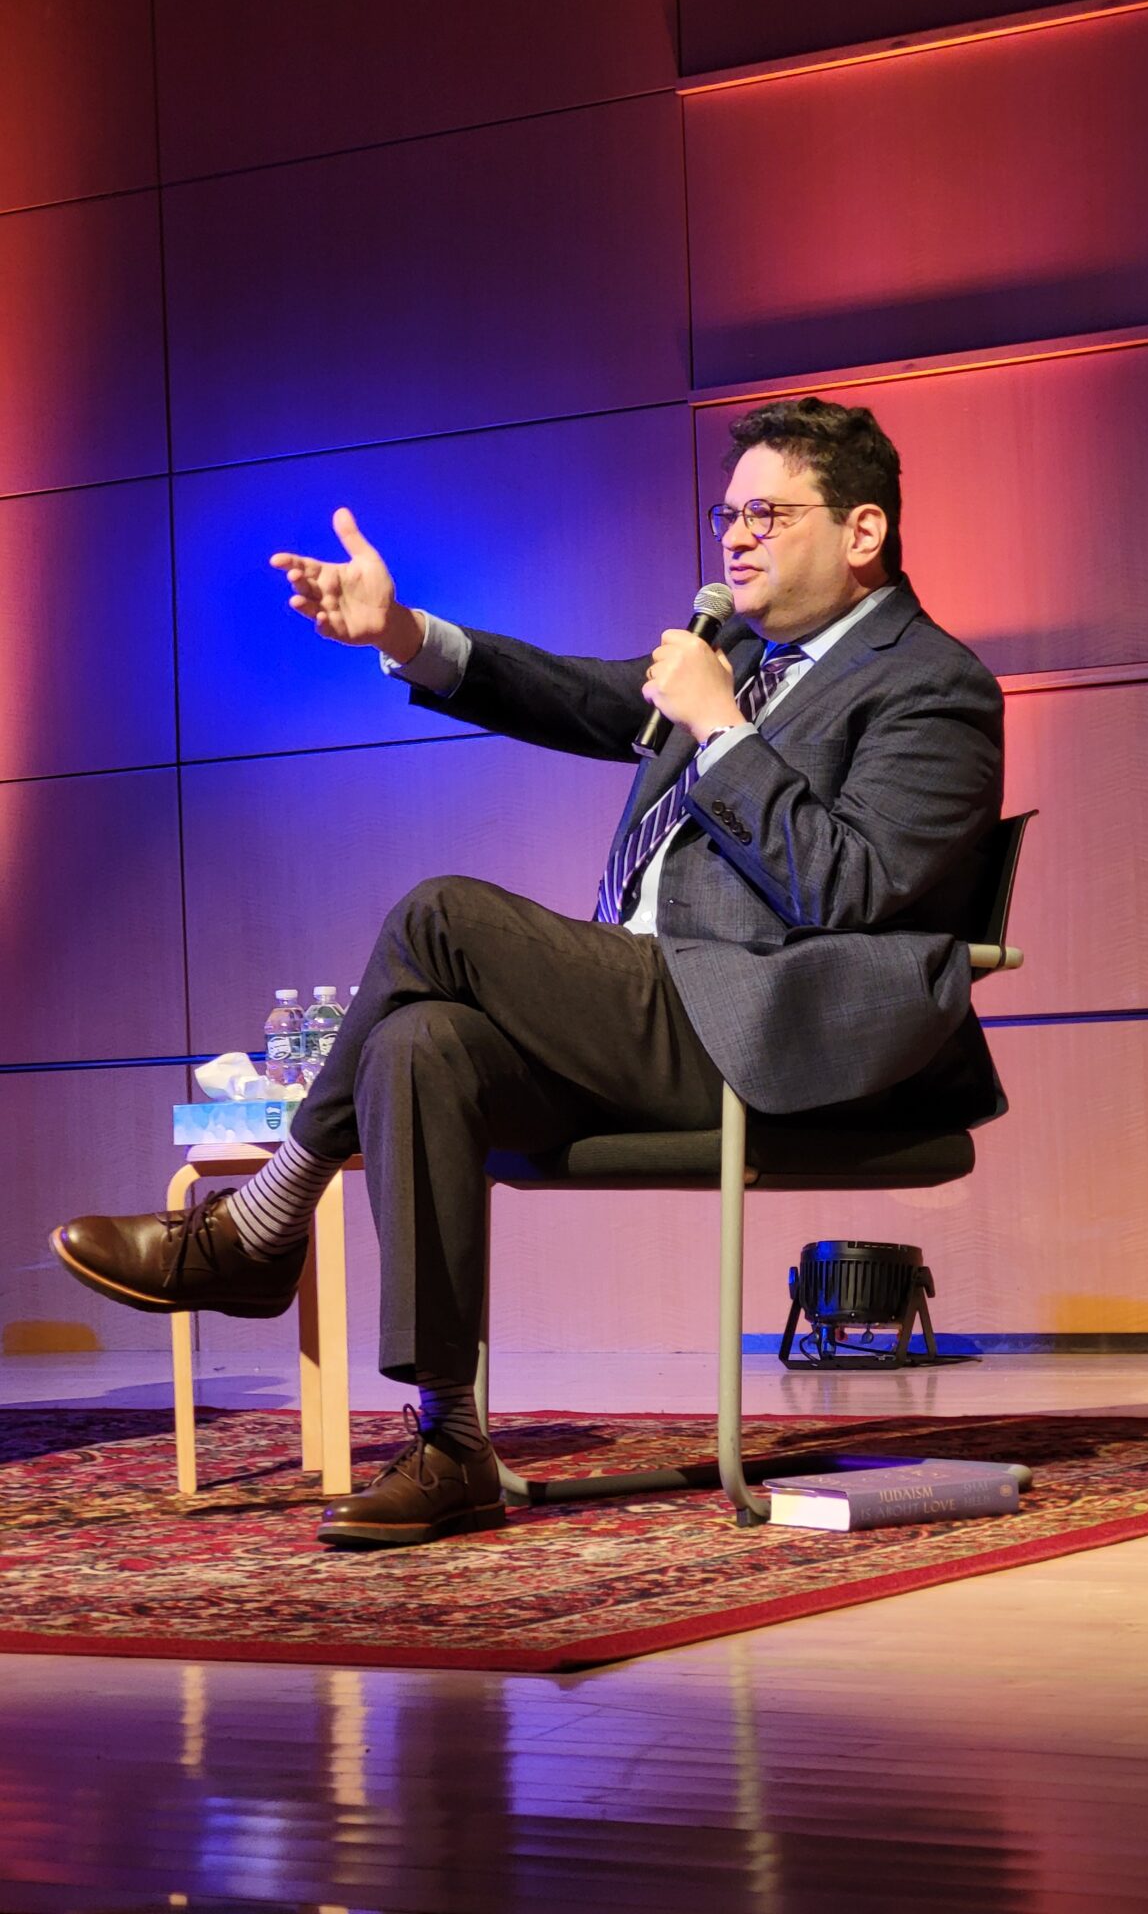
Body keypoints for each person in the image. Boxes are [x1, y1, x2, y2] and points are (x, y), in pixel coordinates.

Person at [50, 397, 1006, 1549]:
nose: (736, 538)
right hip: (651, 1016)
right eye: (726, 514)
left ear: (861, 533)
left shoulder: (933, 685)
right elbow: (582, 695)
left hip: (768, 1025)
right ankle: (450, 1439)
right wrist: (404, 633)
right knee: (421, 1044)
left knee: (442, 914)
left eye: (766, 513)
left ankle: (261, 1225)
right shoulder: (744, 656)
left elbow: (849, 889)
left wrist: (722, 736)